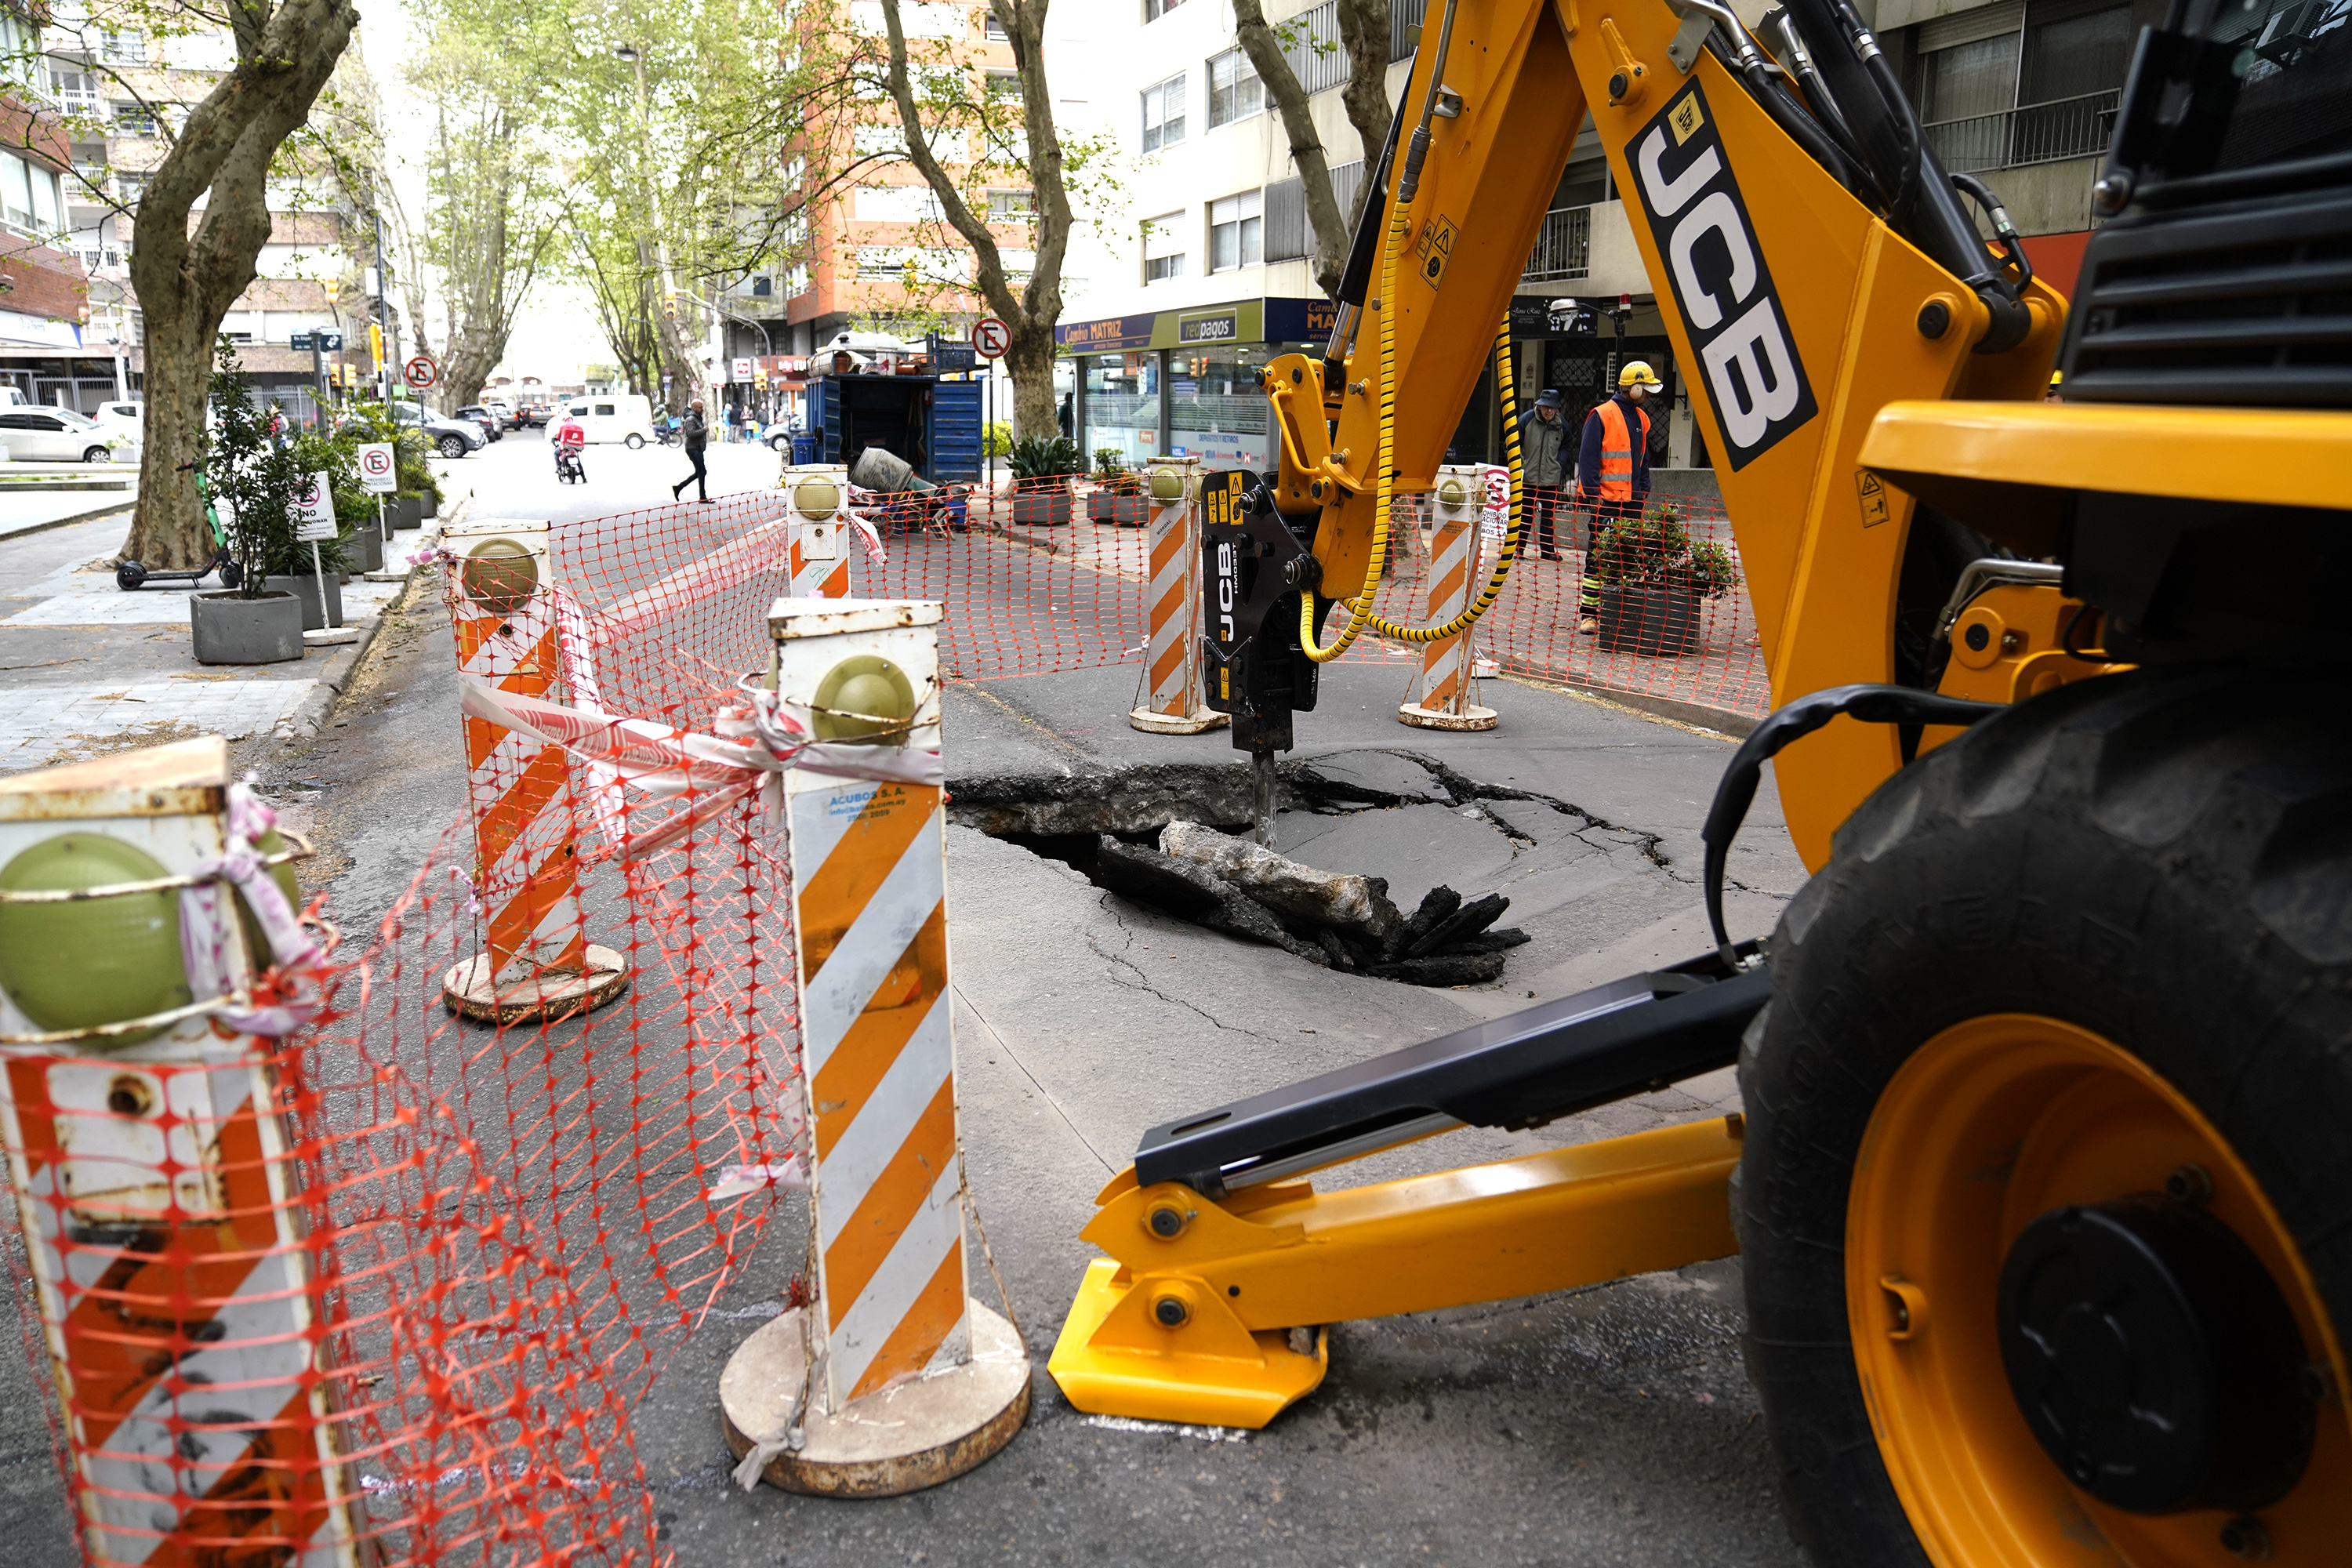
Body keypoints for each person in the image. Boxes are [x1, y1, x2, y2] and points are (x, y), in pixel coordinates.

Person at [1575, 361, 1661, 633]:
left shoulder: (1642, 419)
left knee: (1629, 557)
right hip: (1607, 502)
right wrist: (1592, 496)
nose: (1647, 395)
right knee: (1598, 557)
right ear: (1634, 388)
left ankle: (1620, 612)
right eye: (1644, 389)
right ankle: (1589, 615)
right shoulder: (1601, 415)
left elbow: (1642, 460)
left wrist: (1643, 491)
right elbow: (1587, 459)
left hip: (1632, 502)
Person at [1513, 387, 1572, 561]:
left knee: (1548, 516)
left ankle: (1547, 552)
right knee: (1524, 515)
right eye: (1546, 407)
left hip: (1550, 479)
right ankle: (1518, 549)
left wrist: (1559, 463)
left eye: (1553, 408)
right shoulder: (1526, 420)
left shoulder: (1562, 424)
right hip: (1528, 478)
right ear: (1539, 406)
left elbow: (1566, 445)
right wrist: (1520, 464)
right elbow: (1512, 443)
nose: (1549, 411)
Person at [671, 399, 711, 503]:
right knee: (702, 471)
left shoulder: (697, 418)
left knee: (700, 472)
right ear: (694, 408)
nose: (702, 409)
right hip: (692, 448)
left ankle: (679, 488)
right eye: (700, 407)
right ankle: (702, 496)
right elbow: (691, 434)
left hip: (697, 448)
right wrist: (704, 430)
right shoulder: (691, 419)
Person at [550, 410, 587, 483]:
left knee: (556, 454)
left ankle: (558, 467)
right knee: (578, 460)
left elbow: (558, 437)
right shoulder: (578, 427)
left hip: (566, 447)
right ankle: (583, 477)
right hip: (576, 448)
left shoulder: (563, 426)